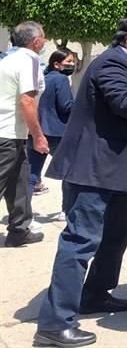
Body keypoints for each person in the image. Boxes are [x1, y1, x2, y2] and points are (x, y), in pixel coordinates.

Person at [36, 18, 127, 348]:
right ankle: (55, 324)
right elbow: (126, 103)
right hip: (94, 169)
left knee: (115, 236)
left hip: (114, 169)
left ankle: (95, 294)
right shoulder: (112, 61)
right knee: (80, 242)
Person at [0, 21, 48, 248]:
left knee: (19, 181)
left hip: (12, 133)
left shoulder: (8, 59)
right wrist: (38, 135)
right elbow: (27, 100)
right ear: (36, 41)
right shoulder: (29, 60)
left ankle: (19, 230)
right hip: (8, 133)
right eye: (44, 37)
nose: (45, 42)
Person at [31, 49, 75, 198]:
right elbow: (65, 106)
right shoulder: (61, 79)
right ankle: (68, 207)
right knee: (70, 170)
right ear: (56, 64)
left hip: (38, 131)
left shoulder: (44, 78)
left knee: (32, 173)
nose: (72, 64)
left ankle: (22, 210)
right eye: (69, 61)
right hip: (57, 132)